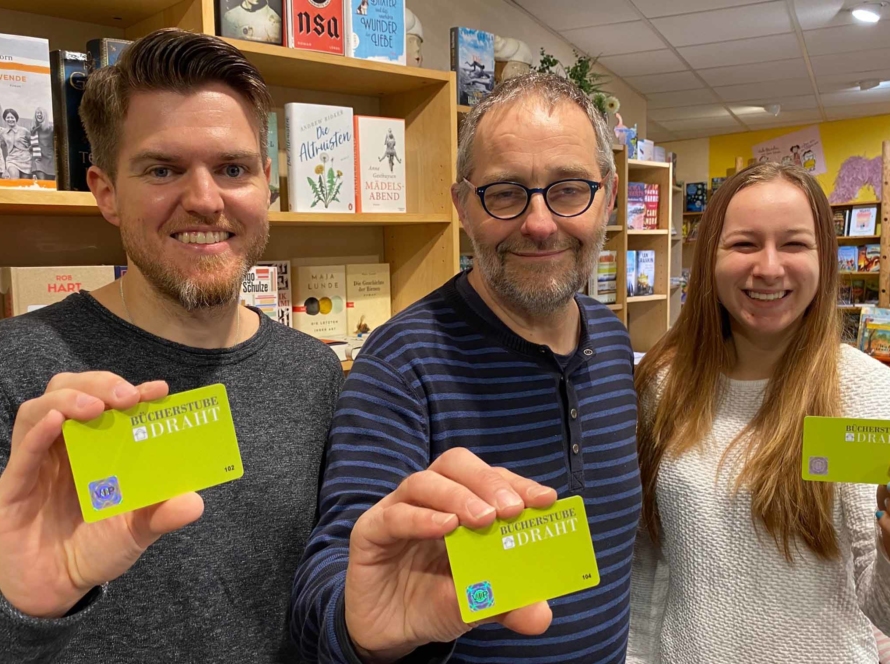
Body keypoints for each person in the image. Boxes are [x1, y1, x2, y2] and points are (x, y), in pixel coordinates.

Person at [0, 28, 341, 662]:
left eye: (233, 169)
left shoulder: (313, 372)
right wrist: (25, 612)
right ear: (105, 192)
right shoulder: (14, 373)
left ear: (266, 184)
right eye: (163, 170)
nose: (206, 201)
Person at [292, 72, 640, 663]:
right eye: (504, 193)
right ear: (462, 206)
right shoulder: (401, 363)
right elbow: (338, 568)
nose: (539, 223)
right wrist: (361, 631)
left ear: (607, 196)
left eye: (568, 190)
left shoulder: (611, 339)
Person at [628, 163, 890, 663]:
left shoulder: (866, 391)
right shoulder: (664, 384)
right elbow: (647, 560)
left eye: (794, 244)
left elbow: (882, 608)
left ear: (824, 257)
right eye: (745, 244)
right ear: (710, 257)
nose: (769, 268)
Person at [1, 108, 32, 180]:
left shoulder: (24, 131)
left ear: (16, 118)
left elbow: (32, 143)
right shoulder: (3, 133)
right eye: (8, 117)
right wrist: (4, 166)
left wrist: (29, 153)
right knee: (14, 179)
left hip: (26, 160)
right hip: (12, 160)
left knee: (25, 183)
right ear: (5, 119)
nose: (10, 119)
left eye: (12, 117)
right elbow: (3, 147)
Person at [30, 106, 55, 181]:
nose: (39, 115)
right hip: (38, 159)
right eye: (37, 113)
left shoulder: (51, 129)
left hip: (50, 159)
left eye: (40, 113)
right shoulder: (33, 130)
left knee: (50, 182)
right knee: (42, 180)